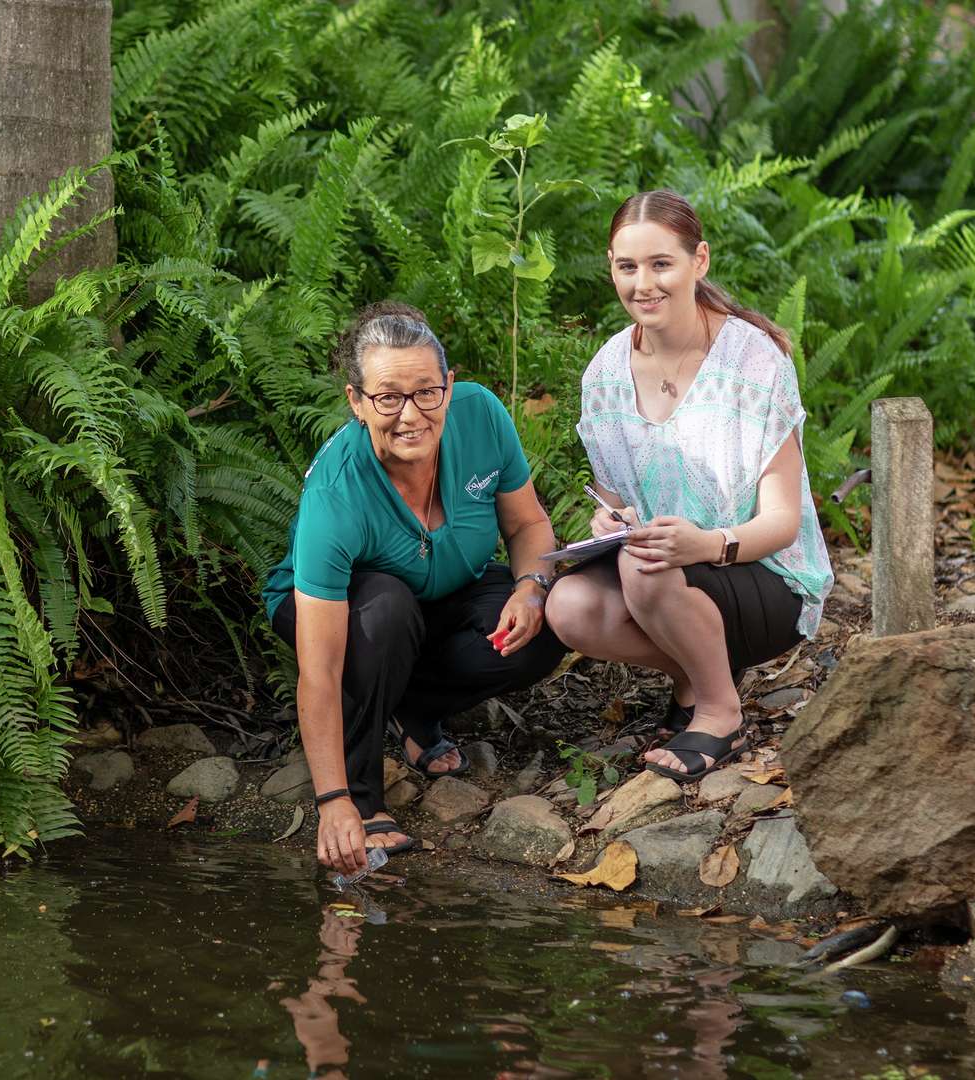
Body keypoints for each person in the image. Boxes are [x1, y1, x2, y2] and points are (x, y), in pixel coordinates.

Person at [265, 302, 567, 874]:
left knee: (549, 624)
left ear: (449, 388)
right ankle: (364, 793)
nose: (410, 414)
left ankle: (414, 709)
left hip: (447, 592)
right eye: (387, 397)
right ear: (356, 402)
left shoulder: (481, 416)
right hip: (346, 612)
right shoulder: (337, 491)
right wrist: (333, 801)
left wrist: (530, 587)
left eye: (426, 392)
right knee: (386, 609)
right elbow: (321, 669)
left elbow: (528, 525)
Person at [544, 190, 833, 783]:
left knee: (642, 569)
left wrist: (705, 544)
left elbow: (782, 523)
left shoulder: (752, 360)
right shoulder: (604, 374)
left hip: (763, 575)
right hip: (665, 577)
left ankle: (720, 711)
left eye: (661, 264)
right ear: (611, 268)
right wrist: (609, 522)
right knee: (568, 607)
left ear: (698, 261)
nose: (643, 283)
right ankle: (696, 677)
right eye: (627, 267)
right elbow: (617, 501)